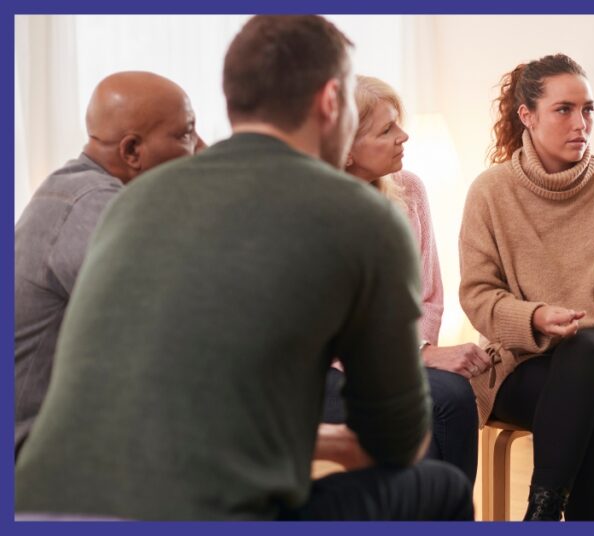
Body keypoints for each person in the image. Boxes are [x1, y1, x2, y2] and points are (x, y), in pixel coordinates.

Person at [15, 15, 472, 521]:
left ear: (232, 102)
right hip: (198, 516)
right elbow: (398, 438)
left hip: (37, 506)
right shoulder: (367, 215)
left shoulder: (134, 199)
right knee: (442, 486)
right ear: (330, 102)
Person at [459, 53, 594, 521]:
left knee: (585, 350)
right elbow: (478, 294)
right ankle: (558, 511)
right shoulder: (490, 193)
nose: (581, 122)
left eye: (588, 109)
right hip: (526, 365)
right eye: (565, 109)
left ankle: (541, 511)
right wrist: (534, 318)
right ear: (527, 115)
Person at [14, 71, 203, 456]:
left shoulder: (78, 189)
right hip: (34, 456)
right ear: (132, 151)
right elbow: (173, 320)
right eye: (186, 134)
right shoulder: (90, 203)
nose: (202, 147)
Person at [321, 75, 484, 484]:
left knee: (455, 394)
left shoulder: (409, 190)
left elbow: (429, 297)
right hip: (322, 371)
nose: (404, 135)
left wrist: (416, 350)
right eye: (387, 129)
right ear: (345, 151)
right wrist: (419, 355)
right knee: (416, 411)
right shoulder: (310, 211)